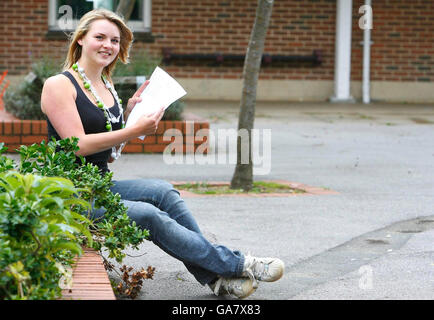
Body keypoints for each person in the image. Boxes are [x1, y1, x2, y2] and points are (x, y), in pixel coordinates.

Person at [41, 8, 284, 299]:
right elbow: (77, 145)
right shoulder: (59, 85)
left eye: (115, 40)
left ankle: (215, 278)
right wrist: (132, 131)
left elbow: (107, 156)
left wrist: (131, 114)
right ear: (81, 39)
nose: (108, 45)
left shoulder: (106, 85)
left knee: (163, 192)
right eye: (100, 37)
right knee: (146, 214)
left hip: (100, 185)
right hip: (70, 194)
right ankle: (238, 263)